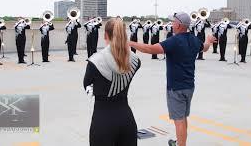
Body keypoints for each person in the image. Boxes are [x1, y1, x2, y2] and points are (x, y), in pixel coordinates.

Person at [129, 12, 215, 146]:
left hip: (176, 89)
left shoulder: (174, 41)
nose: (172, 24)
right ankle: (180, 142)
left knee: (179, 121)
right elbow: (205, 47)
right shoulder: (194, 39)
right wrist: (208, 40)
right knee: (183, 118)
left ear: (179, 25)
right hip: (189, 87)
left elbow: (149, 49)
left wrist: (128, 42)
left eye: (174, 22)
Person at [83, 18, 141, 146]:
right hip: (127, 120)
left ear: (105, 35)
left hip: (102, 121)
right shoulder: (136, 60)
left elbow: (87, 85)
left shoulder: (94, 62)